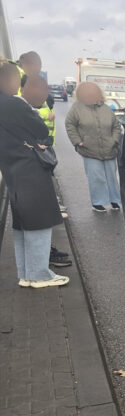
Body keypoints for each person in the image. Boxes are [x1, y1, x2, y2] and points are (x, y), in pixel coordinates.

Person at [0, 71, 69, 288]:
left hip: (11, 167)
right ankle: (40, 274)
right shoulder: (14, 104)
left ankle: (26, 274)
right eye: (15, 81)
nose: (18, 85)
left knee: (22, 224)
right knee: (40, 221)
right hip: (29, 168)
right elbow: (40, 129)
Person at [64, 82, 122, 213]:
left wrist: (114, 140)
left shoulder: (106, 108)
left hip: (109, 149)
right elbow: (70, 125)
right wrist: (77, 141)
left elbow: (116, 126)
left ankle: (114, 200)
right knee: (96, 177)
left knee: (111, 177)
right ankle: (98, 203)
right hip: (89, 150)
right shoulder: (76, 108)